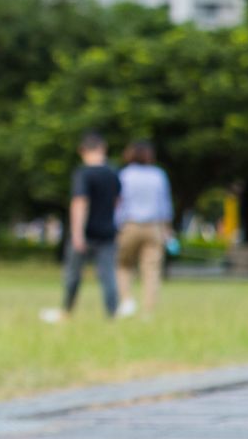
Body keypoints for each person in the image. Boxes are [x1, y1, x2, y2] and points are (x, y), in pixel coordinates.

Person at [41, 132, 121, 324]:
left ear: (82, 150)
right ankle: (112, 315)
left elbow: (80, 202)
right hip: (108, 231)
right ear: (103, 148)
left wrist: (77, 233)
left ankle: (67, 311)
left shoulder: (83, 173)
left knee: (73, 275)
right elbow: (118, 201)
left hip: (86, 232)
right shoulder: (113, 173)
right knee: (108, 275)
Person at [114, 141, 173, 318]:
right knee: (151, 270)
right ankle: (148, 311)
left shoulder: (124, 175)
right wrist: (166, 229)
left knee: (123, 264)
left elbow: (119, 205)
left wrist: (116, 226)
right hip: (154, 226)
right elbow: (165, 205)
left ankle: (127, 300)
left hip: (129, 225)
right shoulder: (158, 175)